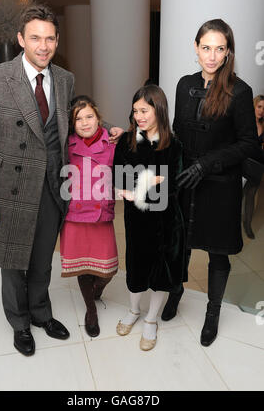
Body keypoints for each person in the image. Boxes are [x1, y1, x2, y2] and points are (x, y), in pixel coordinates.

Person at [0, 5, 123, 356]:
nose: (43, 45)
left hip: (54, 188)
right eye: (35, 37)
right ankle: (20, 322)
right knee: (12, 262)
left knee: (41, 260)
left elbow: (77, 122)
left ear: (57, 40)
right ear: (21, 39)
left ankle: (41, 312)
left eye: (49, 38)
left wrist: (108, 127)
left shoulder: (65, 79)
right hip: (10, 190)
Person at [167, 19, 259, 347]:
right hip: (186, 181)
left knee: (218, 253)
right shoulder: (183, 84)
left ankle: (213, 312)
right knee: (181, 246)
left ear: (228, 52)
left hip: (220, 184)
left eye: (220, 48)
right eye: (206, 47)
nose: (212, 55)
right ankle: (175, 293)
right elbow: (177, 129)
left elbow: (249, 143)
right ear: (196, 47)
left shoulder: (240, 90)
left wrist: (207, 163)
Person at [113, 85, 187, 351]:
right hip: (136, 221)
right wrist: (150, 180)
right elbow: (120, 180)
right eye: (135, 111)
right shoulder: (127, 141)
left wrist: (141, 182)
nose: (138, 116)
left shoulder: (174, 144)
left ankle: (151, 320)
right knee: (135, 267)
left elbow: (175, 184)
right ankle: (133, 311)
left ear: (159, 109)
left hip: (166, 221)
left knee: (160, 272)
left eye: (144, 110)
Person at [60, 95, 118, 337]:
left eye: (89, 117)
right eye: (78, 119)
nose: (84, 123)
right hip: (74, 215)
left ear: (99, 119)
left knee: (109, 269)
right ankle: (90, 310)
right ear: (71, 124)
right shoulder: (66, 145)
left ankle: (96, 290)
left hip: (101, 214)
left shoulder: (114, 142)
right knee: (83, 266)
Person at [242, 95, 264, 238]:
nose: (262, 111)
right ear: (254, 106)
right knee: (235, 195)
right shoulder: (244, 122)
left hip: (257, 166)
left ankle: (247, 224)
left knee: (250, 195)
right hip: (243, 164)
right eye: (259, 106)